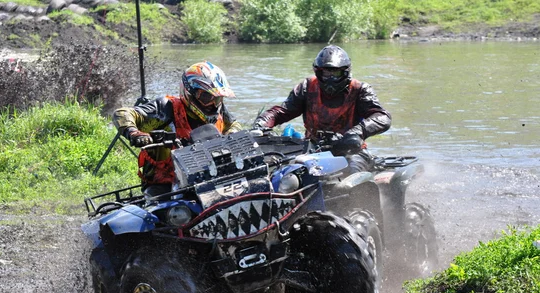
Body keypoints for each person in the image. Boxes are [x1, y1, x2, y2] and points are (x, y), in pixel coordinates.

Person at [253, 45, 391, 173]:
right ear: (318, 72)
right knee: (282, 175)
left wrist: (356, 133)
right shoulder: (307, 87)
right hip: (312, 151)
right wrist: (261, 124)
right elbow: (282, 112)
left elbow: (382, 117)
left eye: (336, 74)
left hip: (351, 151)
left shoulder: (360, 89)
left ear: (345, 72)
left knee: (351, 175)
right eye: (326, 73)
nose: (330, 78)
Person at [113, 61, 242, 196]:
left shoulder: (220, 111)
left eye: (218, 99)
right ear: (189, 91)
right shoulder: (165, 108)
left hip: (207, 177)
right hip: (164, 185)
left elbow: (234, 124)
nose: (212, 105)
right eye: (206, 97)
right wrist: (134, 133)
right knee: (166, 214)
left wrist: (231, 135)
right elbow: (122, 113)